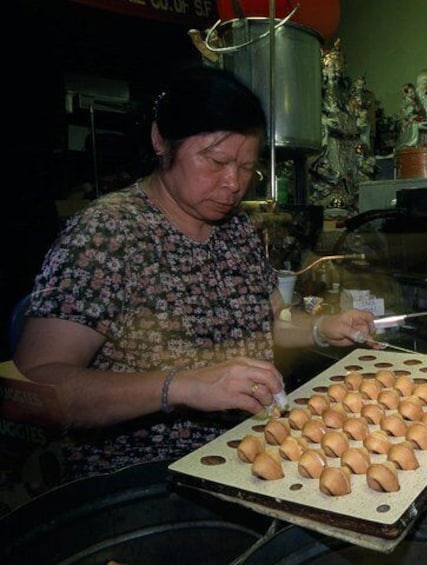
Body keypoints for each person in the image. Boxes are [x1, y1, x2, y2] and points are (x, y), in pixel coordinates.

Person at [13, 66, 376, 481]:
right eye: (216, 160)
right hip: (146, 476)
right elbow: (34, 390)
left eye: (246, 168)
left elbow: (273, 320)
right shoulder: (108, 233)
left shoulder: (236, 229)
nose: (232, 184)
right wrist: (179, 387)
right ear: (160, 141)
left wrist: (319, 328)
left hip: (253, 455)